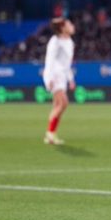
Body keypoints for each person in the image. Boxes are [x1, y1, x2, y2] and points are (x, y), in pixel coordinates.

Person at [41, 17, 76, 145]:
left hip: (62, 77)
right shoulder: (55, 41)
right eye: (69, 24)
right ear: (62, 28)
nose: (72, 26)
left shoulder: (70, 42)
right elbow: (49, 61)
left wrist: (71, 79)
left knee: (57, 106)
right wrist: (49, 78)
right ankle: (50, 133)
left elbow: (67, 63)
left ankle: (51, 134)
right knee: (63, 103)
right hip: (54, 76)